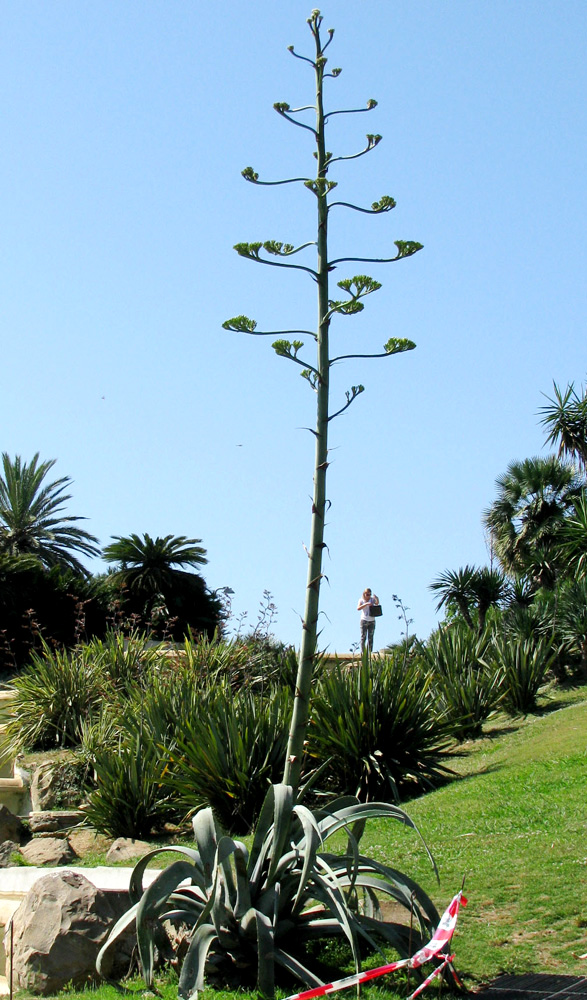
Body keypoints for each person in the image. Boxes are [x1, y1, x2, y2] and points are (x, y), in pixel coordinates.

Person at [357, 587, 379, 654]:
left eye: (369, 594)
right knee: (363, 636)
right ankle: (363, 651)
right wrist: (366, 604)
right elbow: (358, 608)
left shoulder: (372, 600)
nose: (368, 596)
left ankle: (370, 652)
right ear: (364, 594)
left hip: (372, 620)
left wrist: (377, 598)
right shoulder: (361, 600)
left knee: (371, 637)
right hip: (364, 620)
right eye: (367, 594)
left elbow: (377, 603)